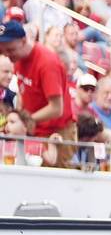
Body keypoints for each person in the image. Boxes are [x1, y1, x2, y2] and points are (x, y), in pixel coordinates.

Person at [0, 20, 76, 167]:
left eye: (10, 50)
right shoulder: (18, 59)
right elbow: (23, 92)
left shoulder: (47, 62)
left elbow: (56, 108)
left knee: (53, 183)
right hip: (35, 131)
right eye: (3, 51)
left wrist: (25, 121)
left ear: (23, 41)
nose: (7, 55)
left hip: (57, 132)